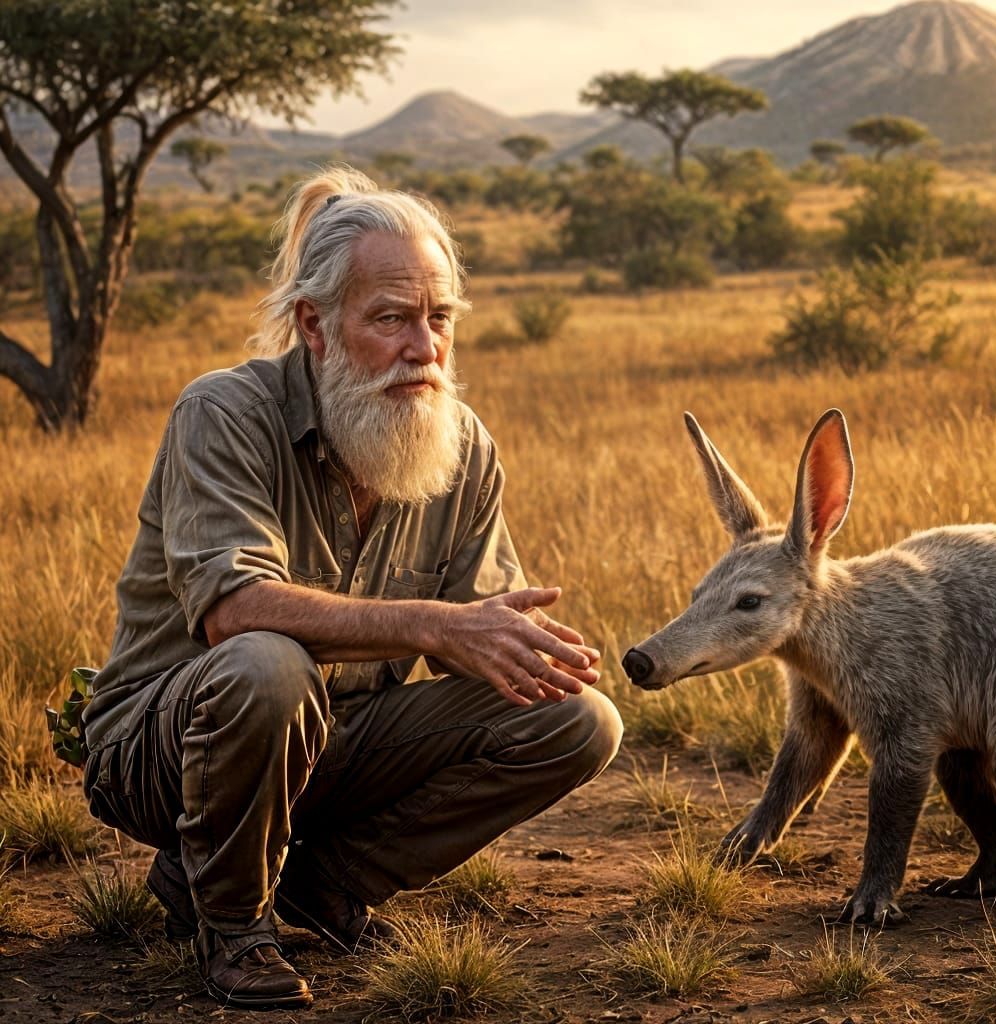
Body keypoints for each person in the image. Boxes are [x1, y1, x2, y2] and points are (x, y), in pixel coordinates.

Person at [81, 167, 623, 1010]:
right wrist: (436, 626)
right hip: (168, 748)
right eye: (391, 319)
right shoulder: (223, 413)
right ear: (316, 325)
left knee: (578, 722)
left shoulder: (462, 444)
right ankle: (232, 923)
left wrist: (519, 650)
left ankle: (322, 881)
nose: (426, 350)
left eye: (439, 319)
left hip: (335, 740)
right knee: (267, 664)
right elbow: (234, 611)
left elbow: (476, 642)